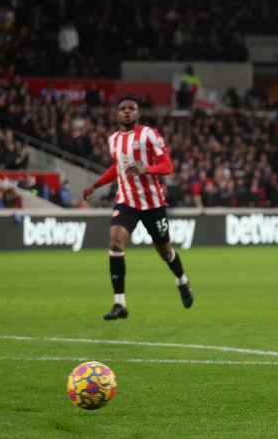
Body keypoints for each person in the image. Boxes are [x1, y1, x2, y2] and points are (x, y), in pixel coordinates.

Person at [82, 97, 194, 321]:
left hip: (152, 203)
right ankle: (120, 303)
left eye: (131, 109)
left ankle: (182, 280)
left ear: (138, 113)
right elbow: (117, 167)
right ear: (117, 115)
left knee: (165, 251)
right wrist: (96, 185)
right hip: (127, 201)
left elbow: (168, 166)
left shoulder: (149, 135)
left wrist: (146, 169)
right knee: (115, 242)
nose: (126, 112)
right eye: (122, 109)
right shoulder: (113, 140)